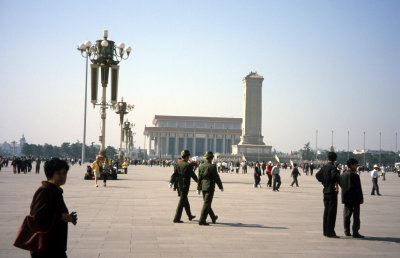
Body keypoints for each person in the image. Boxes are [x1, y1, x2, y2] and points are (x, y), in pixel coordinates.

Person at [28, 158, 76, 258]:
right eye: (59, 173)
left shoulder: (54, 190)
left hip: (55, 246)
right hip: (46, 249)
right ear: (50, 175)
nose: (63, 176)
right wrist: (60, 216)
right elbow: (37, 217)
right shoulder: (45, 191)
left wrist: (67, 217)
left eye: (64, 173)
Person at [315, 152, 340, 238]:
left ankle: (325, 231)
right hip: (332, 192)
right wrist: (332, 183)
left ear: (327, 158)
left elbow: (317, 175)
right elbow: (334, 177)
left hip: (325, 191)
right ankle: (330, 232)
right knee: (332, 212)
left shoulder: (324, 166)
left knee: (326, 211)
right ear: (335, 159)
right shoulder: (333, 167)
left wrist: (324, 182)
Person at [169, 150, 198, 223]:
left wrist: (171, 182)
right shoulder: (188, 165)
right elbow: (192, 174)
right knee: (182, 201)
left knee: (185, 199)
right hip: (185, 184)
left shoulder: (178, 164)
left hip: (179, 184)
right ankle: (176, 218)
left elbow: (175, 174)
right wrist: (198, 181)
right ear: (187, 157)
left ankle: (189, 215)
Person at [339, 158, 364, 238]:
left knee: (346, 215)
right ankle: (355, 232)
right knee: (356, 216)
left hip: (346, 198)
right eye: (356, 164)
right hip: (355, 198)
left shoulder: (342, 175)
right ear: (352, 165)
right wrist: (361, 198)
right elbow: (359, 188)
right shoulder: (355, 176)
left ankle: (347, 231)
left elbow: (341, 185)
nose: (357, 166)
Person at [197, 152, 224, 226]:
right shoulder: (212, 166)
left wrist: (198, 188)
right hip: (210, 187)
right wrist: (220, 186)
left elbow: (199, 178)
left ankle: (213, 217)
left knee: (207, 203)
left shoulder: (201, 166)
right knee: (206, 204)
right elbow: (216, 178)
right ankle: (202, 220)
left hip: (203, 186)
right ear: (211, 158)